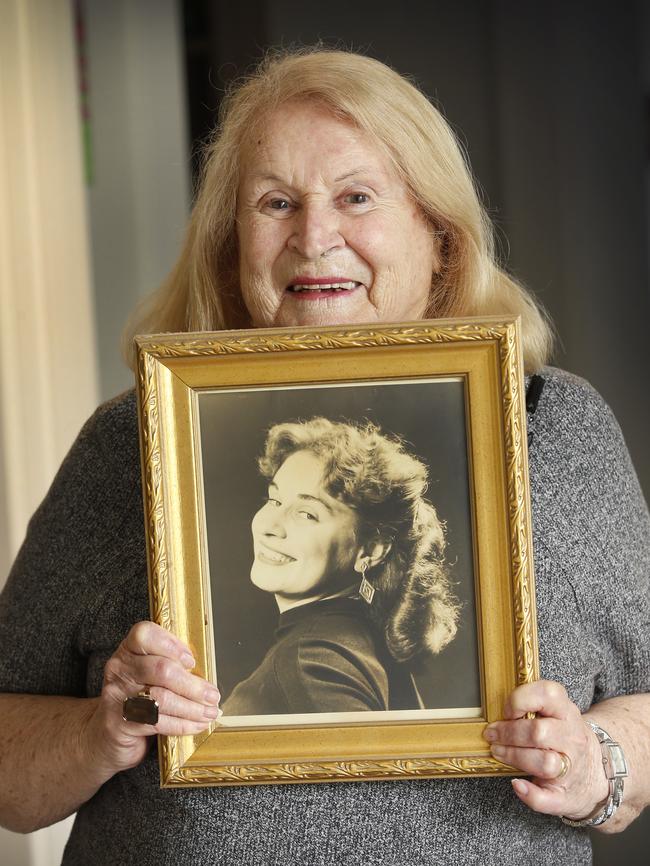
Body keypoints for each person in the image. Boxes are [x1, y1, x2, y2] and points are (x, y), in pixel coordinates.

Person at [0, 47, 648, 865]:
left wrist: (600, 766)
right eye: (275, 202)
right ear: (232, 243)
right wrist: (105, 730)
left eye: (356, 197)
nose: (314, 236)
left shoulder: (555, 429)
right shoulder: (128, 446)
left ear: (439, 236)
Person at [221, 416, 459, 716]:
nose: (270, 526)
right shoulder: (356, 638)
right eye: (274, 500)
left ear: (371, 550)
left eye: (307, 513)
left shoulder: (312, 660)